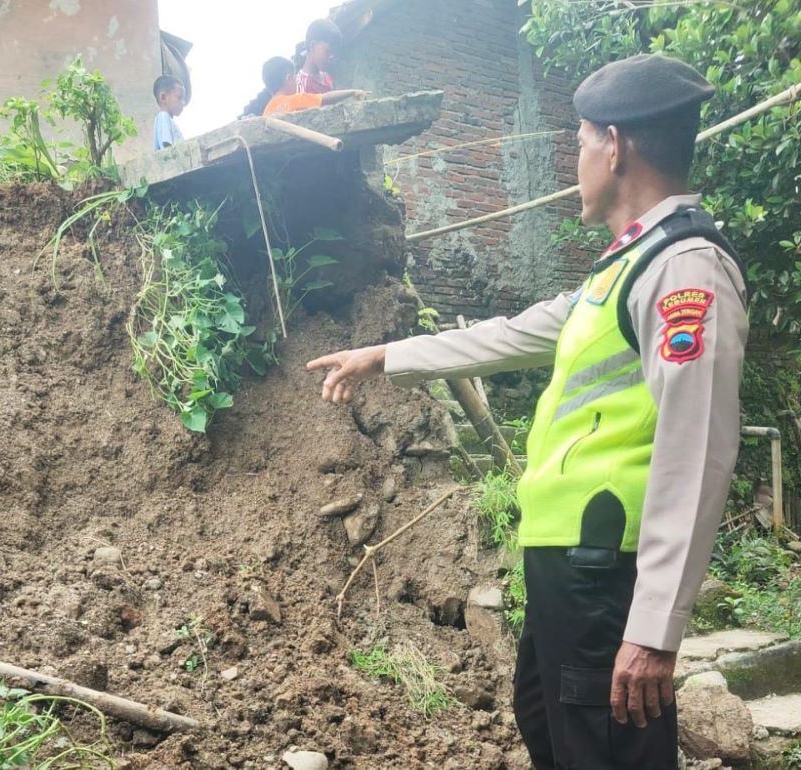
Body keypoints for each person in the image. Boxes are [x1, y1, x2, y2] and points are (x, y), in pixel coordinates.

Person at [307, 54, 748, 769]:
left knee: (606, 749)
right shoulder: (627, 267)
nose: (573, 161)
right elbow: (509, 333)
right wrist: (386, 355)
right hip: (569, 562)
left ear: (615, 145)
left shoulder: (685, 271)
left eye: (577, 142)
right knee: (550, 724)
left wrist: (656, 628)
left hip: (607, 566)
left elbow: (698, 450)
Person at [240, 57, 365, 118]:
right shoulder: (295, 100)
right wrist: (352, 92)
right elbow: (325, 98)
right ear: (289, 79)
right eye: (295, 78)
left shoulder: (267, 111)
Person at [296, 19, 342, 95]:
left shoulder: (326, 77)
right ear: (313, 46)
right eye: (328, 51)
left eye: (333, 52)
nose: (331, 56)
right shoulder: (300, 85)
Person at [152, 74, 185, 151]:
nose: (183, 102)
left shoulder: (169, 121)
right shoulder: (163, 117)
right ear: (163, 97)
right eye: (179, 97)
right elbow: (167, 147)